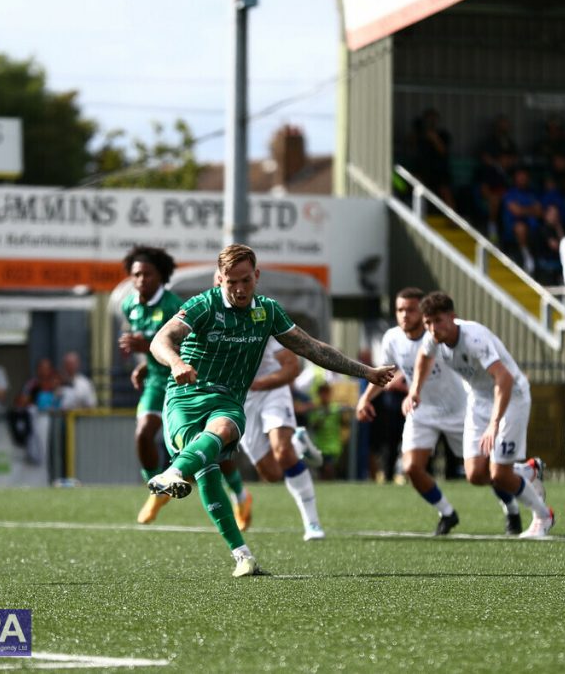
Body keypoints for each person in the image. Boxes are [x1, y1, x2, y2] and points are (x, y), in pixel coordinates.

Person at [146, 244, 396, 577]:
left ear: (257, 276)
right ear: (219, 279)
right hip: (185, 398)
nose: (238, 289)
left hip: (229, 401)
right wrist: (176, 361)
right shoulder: (202, 306)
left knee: (222, 431)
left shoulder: (267, 311)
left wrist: (367, 371)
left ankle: (175, 472)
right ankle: (242, 556)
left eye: (245, 280)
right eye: (231, 281)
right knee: (211, 475)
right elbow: (160, 340)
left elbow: (312, 348)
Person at [404, 292, 554, 538]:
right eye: (428, 323)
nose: (432, 328)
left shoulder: (474, 338)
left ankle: (544, 515)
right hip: (479, 399)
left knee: (500, 474)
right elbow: (423, 357)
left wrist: (495, 423)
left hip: (511, 397)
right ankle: (526, 471)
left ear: (453, 317)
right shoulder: (433, 339)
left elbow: (504, 378)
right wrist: (415, 390)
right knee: (475, 475)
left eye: (438, 321)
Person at [356, 288, 468, 535]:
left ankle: (512, 506)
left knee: (480, 472)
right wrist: (365, 399)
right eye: (400, 310)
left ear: (423, 311)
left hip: (457, 409)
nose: (405, 315)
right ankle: (447, 513)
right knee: (411, 467)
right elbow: (385, 375)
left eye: (411, 309)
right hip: (421, 410)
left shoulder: (440, 334)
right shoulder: (392, 338)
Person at [235, 332, 325, 541]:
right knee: (272, 474)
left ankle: (312, 523)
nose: (240, 296)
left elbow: (292, 367)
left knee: (283, 452)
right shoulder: (212, 319)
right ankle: (298, 444)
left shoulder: (262, 321)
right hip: (241, 401)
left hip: (272, 390)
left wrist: (258, 384)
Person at [118, 246, 184, 525]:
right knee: (143, 433)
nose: (141, 279)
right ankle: (156, 488)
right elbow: (151, 348)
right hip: (157, 380)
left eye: (147, 274)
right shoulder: (129, 305)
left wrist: (145, 347)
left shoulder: (172, 306)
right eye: (136, 274)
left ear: (161, 276)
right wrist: (144, 364)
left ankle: (238, 493)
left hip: (182, 378)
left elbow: (184, 345)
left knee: (188, 445)